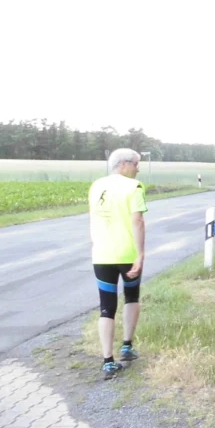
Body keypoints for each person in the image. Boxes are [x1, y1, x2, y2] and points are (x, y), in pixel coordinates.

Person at [88, 148, 148, 380]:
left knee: (106, 307)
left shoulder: (96, 186)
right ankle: (126, 346)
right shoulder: (135, 187)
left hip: (102, 254)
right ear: (123, 164)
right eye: (136, 163)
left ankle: (107, 360)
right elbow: (138, 220)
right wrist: (141, 254)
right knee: (131, 297)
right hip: (127, 255)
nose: (138, 168)